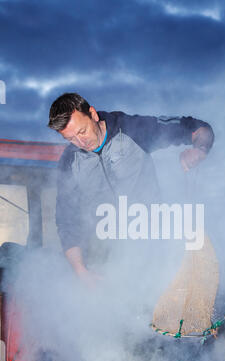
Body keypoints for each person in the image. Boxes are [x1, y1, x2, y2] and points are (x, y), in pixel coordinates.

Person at [48, 93, 214, 287]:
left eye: (82, 131)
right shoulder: (70, 162)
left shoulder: (131, 129)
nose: (81, 142)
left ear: (92, 114)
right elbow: (67, 220)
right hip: (104, 252)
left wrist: (199, 150)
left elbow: (197, 128)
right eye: (71, 139)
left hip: (151, 242)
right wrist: (80, 270)